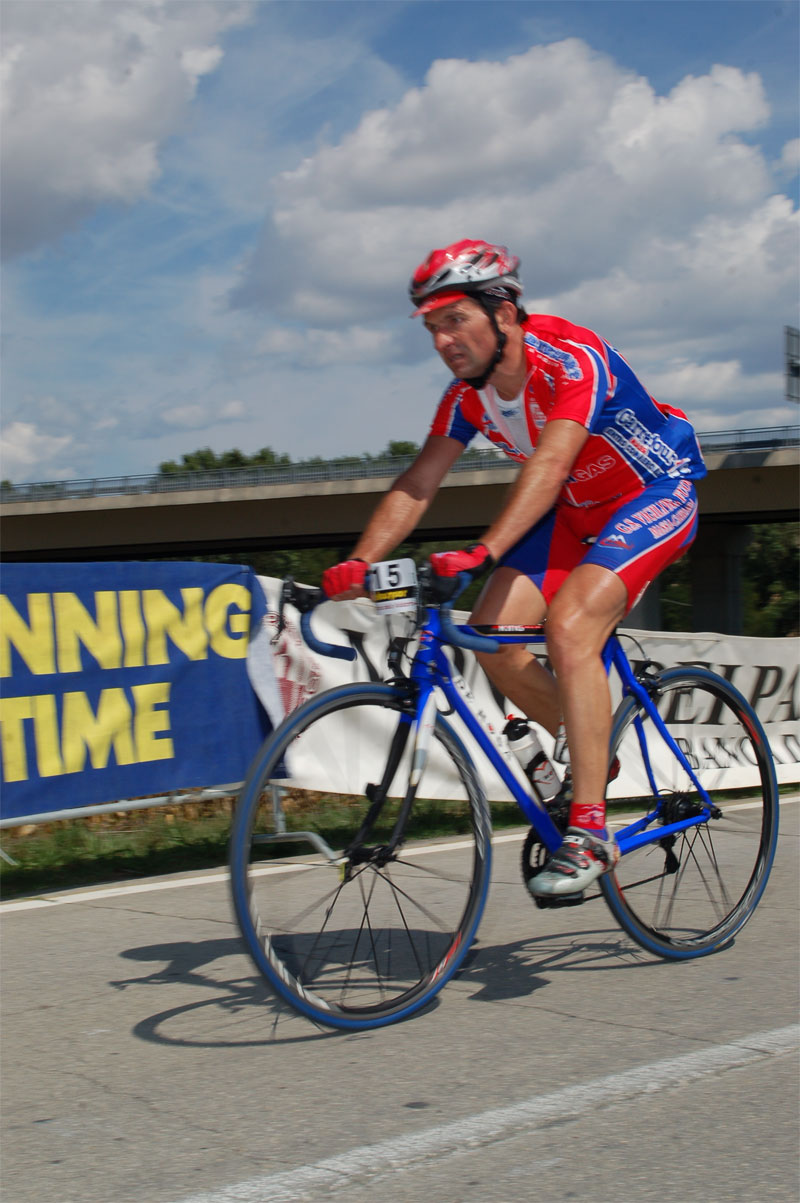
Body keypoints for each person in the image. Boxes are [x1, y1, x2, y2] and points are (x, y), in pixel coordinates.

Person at [322, 239, 706, 897]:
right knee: (495, 638)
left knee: (571, 626)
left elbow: (551, 464)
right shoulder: (466, 397)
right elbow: (419, 482)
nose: (444, 340)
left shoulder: (570, 359)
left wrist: (485, 549)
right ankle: (593, 755)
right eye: (433, 327)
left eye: (455, 320)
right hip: (576, 513)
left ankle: (591, 828)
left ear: (503, 312)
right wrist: (360, 558)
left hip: (651, 493)